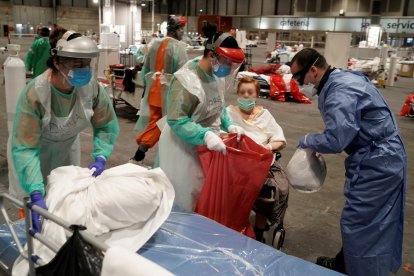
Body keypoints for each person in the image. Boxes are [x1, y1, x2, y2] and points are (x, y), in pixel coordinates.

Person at [290, 48, 406, 275]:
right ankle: (346, 262)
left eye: (298, 77)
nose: (296, 83)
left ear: (313, 70)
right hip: (386, 154)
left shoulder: (338, 91)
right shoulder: (342, 77)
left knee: (358, 222)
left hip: (377, 161)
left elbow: (336, 140)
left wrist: (309, 141)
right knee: (377, 219)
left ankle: (360, 270)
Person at [10, 31, 120, 233]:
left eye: (87, 64)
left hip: (66, 148)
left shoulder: (91, 88)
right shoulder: (36, 93)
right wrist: (35, 192)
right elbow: (26, 148)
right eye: (77, 65)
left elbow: (106, 124)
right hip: (33, 156)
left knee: (64, 201)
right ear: (58, 63)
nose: (84, 70)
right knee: (34, 212)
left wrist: (101, 155)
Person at [158, 22, 245, 211]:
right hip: (181, 145)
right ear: (212, 55)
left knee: (202, 191)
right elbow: (177, 119)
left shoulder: (216, 75)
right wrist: (204, 135)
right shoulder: (186, 80)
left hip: (205, 144)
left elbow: (217, 105)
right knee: (184, 195)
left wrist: (229, 124)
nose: (229, 69)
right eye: (227, 63)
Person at [226, 77, 287, 244]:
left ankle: (259, 231)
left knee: (273, 190)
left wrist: (267, 148)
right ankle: (235, 224)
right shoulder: (229, 114)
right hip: (236, 164)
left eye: (250, 93)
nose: (246, 96)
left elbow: (280, 141)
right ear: (237, 94)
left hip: (261, 163)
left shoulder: (265, 116)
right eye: (242, 93)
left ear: (256, 95)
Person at [131, 15, 188, 163]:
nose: (183, 32)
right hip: (169, 91)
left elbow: (146, 69)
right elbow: (183, 73)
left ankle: (141, 150)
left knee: (156, 121)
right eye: (182, 29)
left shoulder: (154, 43)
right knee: (166, 123)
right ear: (176, 30)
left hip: (153, 88)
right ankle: (145, 150)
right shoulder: (179, 47)